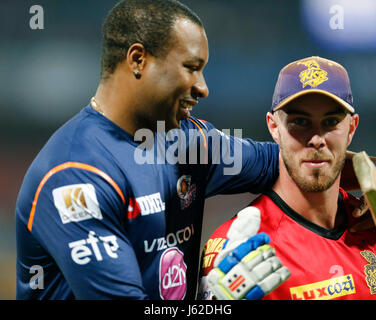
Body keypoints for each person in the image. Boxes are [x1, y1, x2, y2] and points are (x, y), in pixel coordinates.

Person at [16, 0, 282, 300]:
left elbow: (291, 164)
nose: (203, 87)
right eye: (191, 68)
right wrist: (218, 301)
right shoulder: (76, 176)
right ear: (138, 59)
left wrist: (344, 166)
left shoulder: (187, 143)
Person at [200, 56, 376, 300]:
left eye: (331, 122)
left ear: (352, 128)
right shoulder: (238, 248)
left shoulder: (372, 222)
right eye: (300, 122)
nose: (316, 138)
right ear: (273, 127)